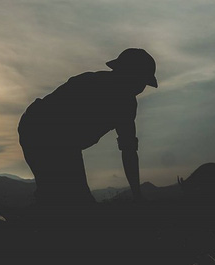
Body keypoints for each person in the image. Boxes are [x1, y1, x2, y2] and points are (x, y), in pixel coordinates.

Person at [18, 48, 158, 206]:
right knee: (69, 199)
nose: (140, 87)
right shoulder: (91, 84)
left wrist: (136, 195)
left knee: (62, 196)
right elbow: (62, 133)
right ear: (126, 74)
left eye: (143, 82)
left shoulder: (127, 105)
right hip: (41, 128)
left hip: (59, 138)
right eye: (139, 80)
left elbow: (129, 150)